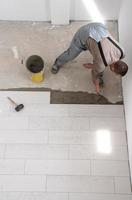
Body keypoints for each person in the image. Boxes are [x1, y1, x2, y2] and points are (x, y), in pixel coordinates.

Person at [51, 22, 128, 93]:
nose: (114, 74)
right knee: (70, 55)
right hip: (84, 33)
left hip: (99, 27)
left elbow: (100, 64)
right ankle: (57, 63)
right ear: (113, 69)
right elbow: (94, 75)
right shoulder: (101, 63)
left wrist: (93, 66)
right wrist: (96, 86)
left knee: (99, 67)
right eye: (115, 73)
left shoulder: (122, 51)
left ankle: (98, 70)